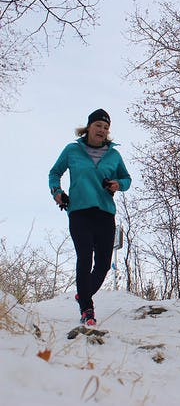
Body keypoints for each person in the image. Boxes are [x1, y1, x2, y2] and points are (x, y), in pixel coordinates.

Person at [48, 108, 132, 326]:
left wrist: (118, 184)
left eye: (106, 128)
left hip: (105, 212)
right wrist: (56, 192)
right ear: (88, 127)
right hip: (79, 211)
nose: (102, 130)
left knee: (103, 264)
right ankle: (87, 308)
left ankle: (83, 294)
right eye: (98, 126)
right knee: (84, 256)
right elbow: (54, 173)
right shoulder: (72, 150)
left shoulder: (114, 155)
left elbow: (126, 178)